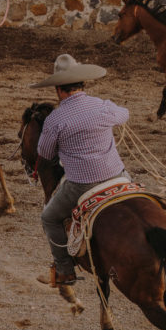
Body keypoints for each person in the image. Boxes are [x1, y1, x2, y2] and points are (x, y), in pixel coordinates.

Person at [30, 53, 130, 287]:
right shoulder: (102, 106)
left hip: (81, 183)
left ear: (58, 89)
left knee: (49, 218)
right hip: (117, 175)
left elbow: (44, 153)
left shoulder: (55, 119)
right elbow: (124, 114)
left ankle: (65, 271)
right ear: (82, 83)